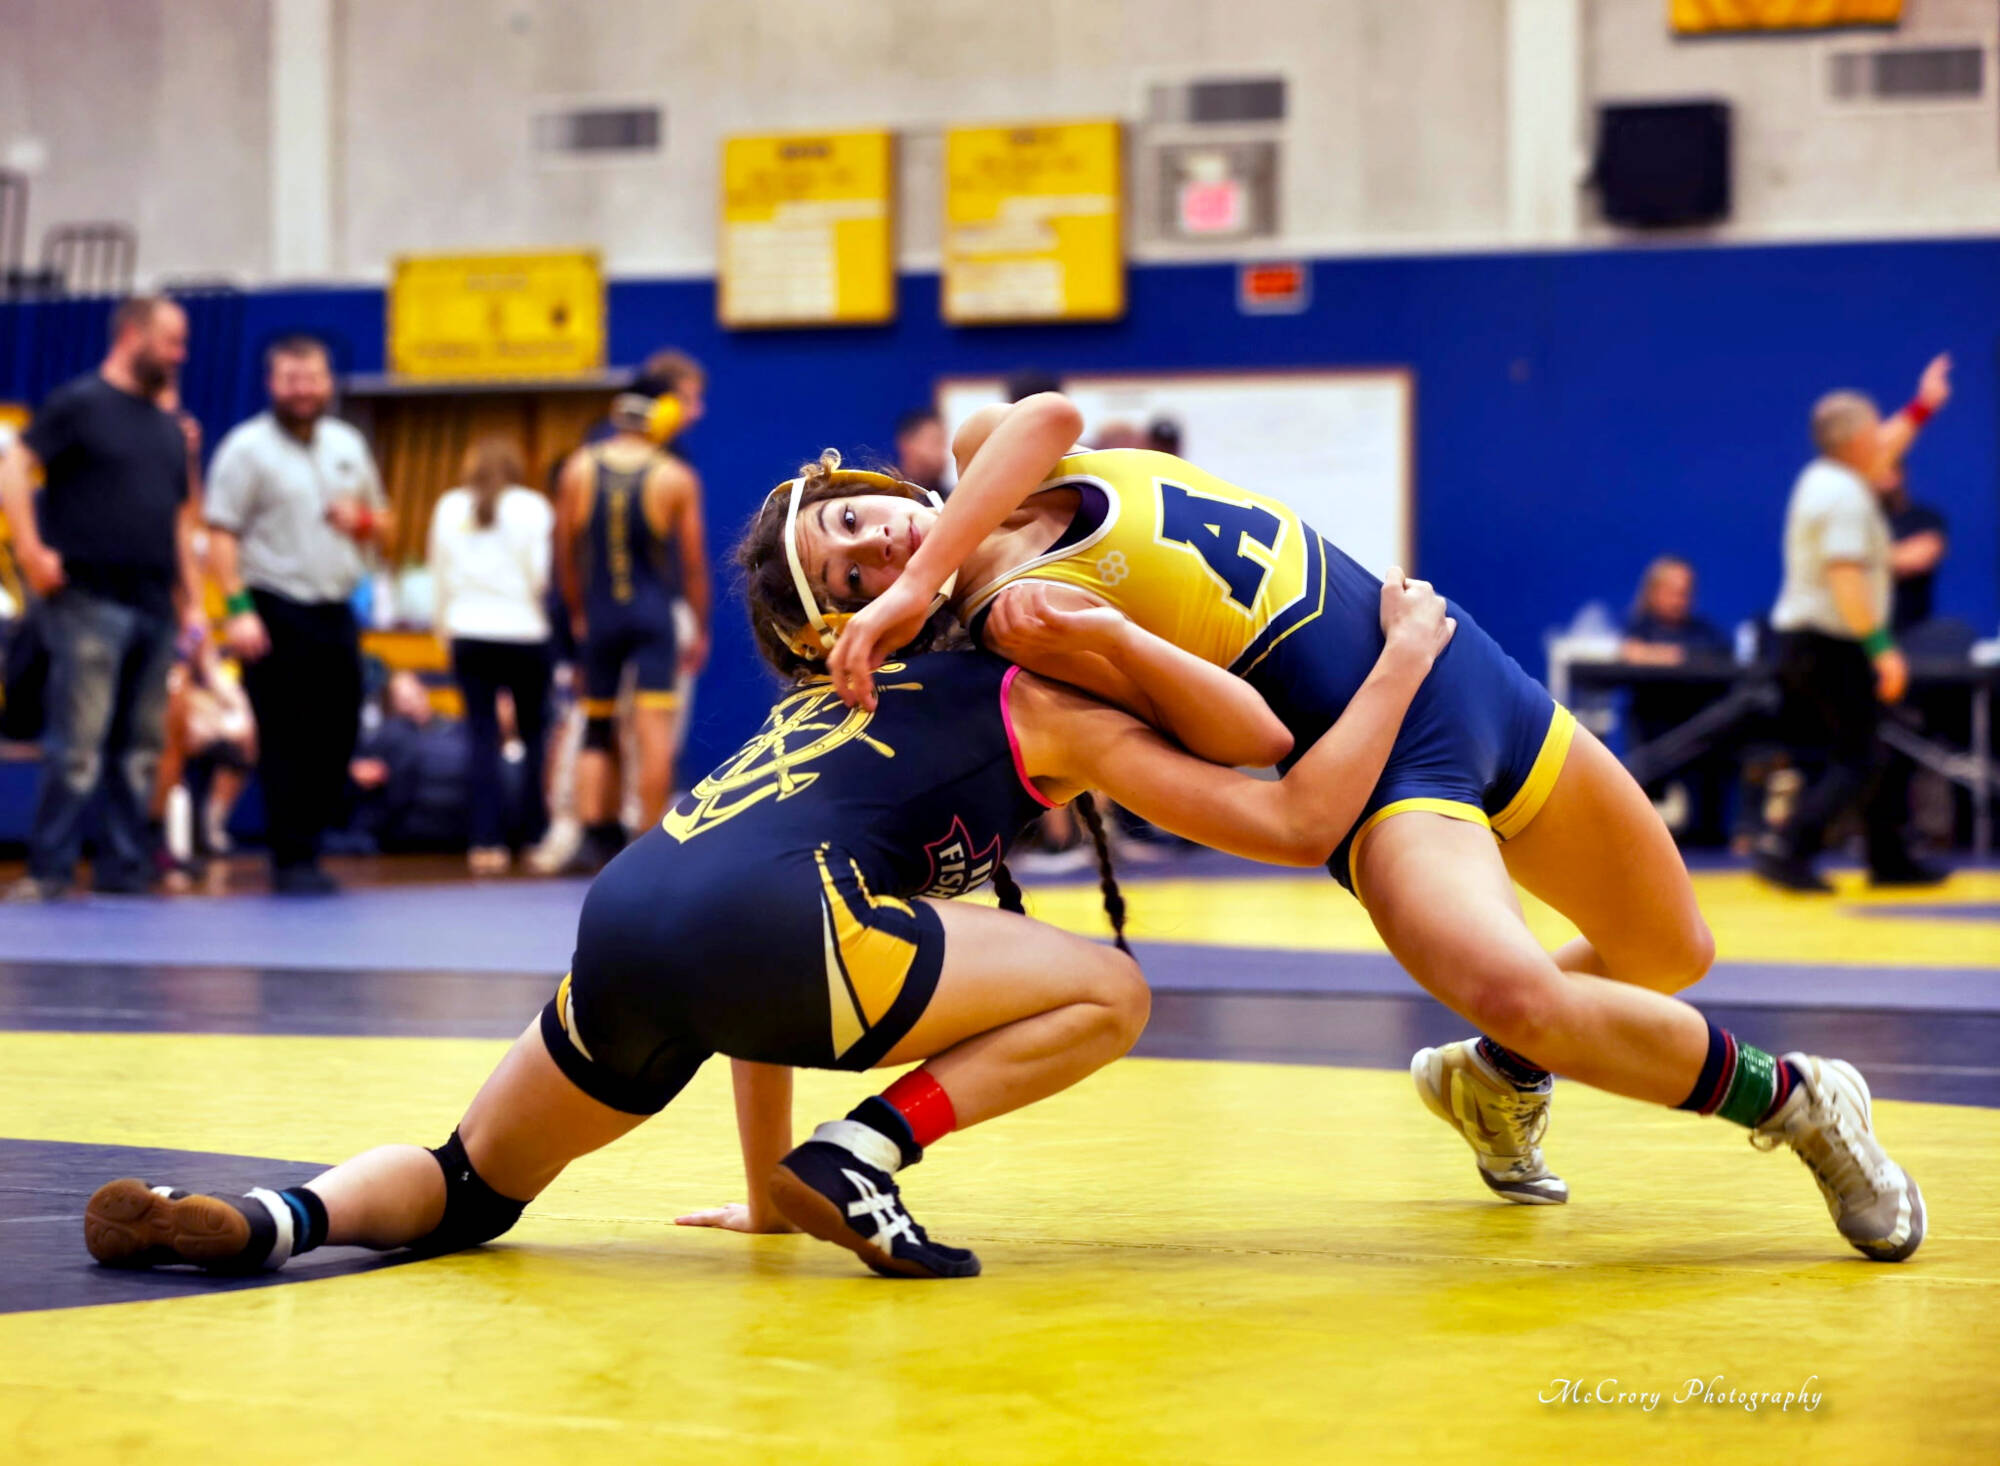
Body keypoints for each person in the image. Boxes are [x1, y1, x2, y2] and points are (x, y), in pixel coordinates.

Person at [77, 514, 1458, 1281]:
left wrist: (758, 1191)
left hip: (631, 914)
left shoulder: (823, 706)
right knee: (1115, 988)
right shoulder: (1038, 688)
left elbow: (751, 978)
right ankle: (868, 1155)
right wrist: (1398, 662)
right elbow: (1290, 801)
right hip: (783, 927)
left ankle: (269, 1216)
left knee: (465, 1184)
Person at [777, 402, 1922, 1261]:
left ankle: (1492, 1081)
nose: (876, 548)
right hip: (1383, 761)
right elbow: (1245, 735)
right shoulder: (1014, 624)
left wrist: (906, 581)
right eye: (849, 571)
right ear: (847, 623)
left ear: (873, 484)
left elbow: (1050, 417)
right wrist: (1110, 646)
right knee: (1515, 982)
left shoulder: (995, 457)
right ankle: (1796, 1097)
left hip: (1466, 672)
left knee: (1665, 952)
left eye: (854, 520)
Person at [0, 296, 205, 899]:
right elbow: (16, 464)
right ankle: (51, 869)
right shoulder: (81, 404)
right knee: (78, 747)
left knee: (140, 750)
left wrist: (191, 600)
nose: (180, 354)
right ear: (132, 335)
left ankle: (123, 865)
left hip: (153, 604)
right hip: (88, 598)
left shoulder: (168, 429)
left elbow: (177, 521)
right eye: (170, 340)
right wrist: (30, 551)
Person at [1754, 360, 1953, 894]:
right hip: (1829, 643)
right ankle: (1788, 847)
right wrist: (1883, 649)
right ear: (1854, 437)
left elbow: (1891, 442)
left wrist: (1924, 405)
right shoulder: (1841, 495)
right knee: (1859, 755)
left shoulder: (1832, 476)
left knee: (1871, 750)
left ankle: (1888, 857)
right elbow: (1846, 578)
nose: (1881, 432)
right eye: (1873, 425)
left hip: (1820, 642)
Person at [205, 336, 391, 895]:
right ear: (272, 384)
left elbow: (384, 522)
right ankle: (291, 857)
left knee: (339, 730)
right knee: (285, 735)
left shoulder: (348, 444)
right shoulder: (245, 449)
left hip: (335, 607)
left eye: (312, 377)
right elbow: (220, 533)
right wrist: (237, 609)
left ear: (328, 382)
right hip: (272, 607)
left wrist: (360, 519)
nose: (303, 389)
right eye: (291, 378)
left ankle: (309, 842)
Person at [552, 367, 709, 868]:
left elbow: (563, 553)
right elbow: (693, 563)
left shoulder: (578, 467)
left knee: (598, 724)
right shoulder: (675, 477)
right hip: (652, 615)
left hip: (600, 615)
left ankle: (593, 836)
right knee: (652, 725)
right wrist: (700, 627)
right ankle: (647, 845)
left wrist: (576, 612)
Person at [429, 437, 554, 875]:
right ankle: (535, 836)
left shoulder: (448, 506)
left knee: (481, 738)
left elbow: (438, 575)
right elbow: (541, 577)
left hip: (468, 632)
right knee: (534, 737)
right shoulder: (534, 506)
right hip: (524, 632)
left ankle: (486, 843)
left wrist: (443, 628)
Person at [1619, 555, 1732, 846]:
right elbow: (1631, 652)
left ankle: (1709, 837)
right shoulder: (1640, 626)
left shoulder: (1702, 630)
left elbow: (1719, 655)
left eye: (1686, 591)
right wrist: (1668, 656)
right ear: (1654, 591)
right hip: (1652, 726)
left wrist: (1664, 655)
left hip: (1696, 727)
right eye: (1673, 591)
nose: (1680, 599)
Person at [892, 408, 949, 495]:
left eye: (944, 444)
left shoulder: (951, 500)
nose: (941, 453)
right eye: (935, 442)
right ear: (907, 444)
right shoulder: (886, 495)